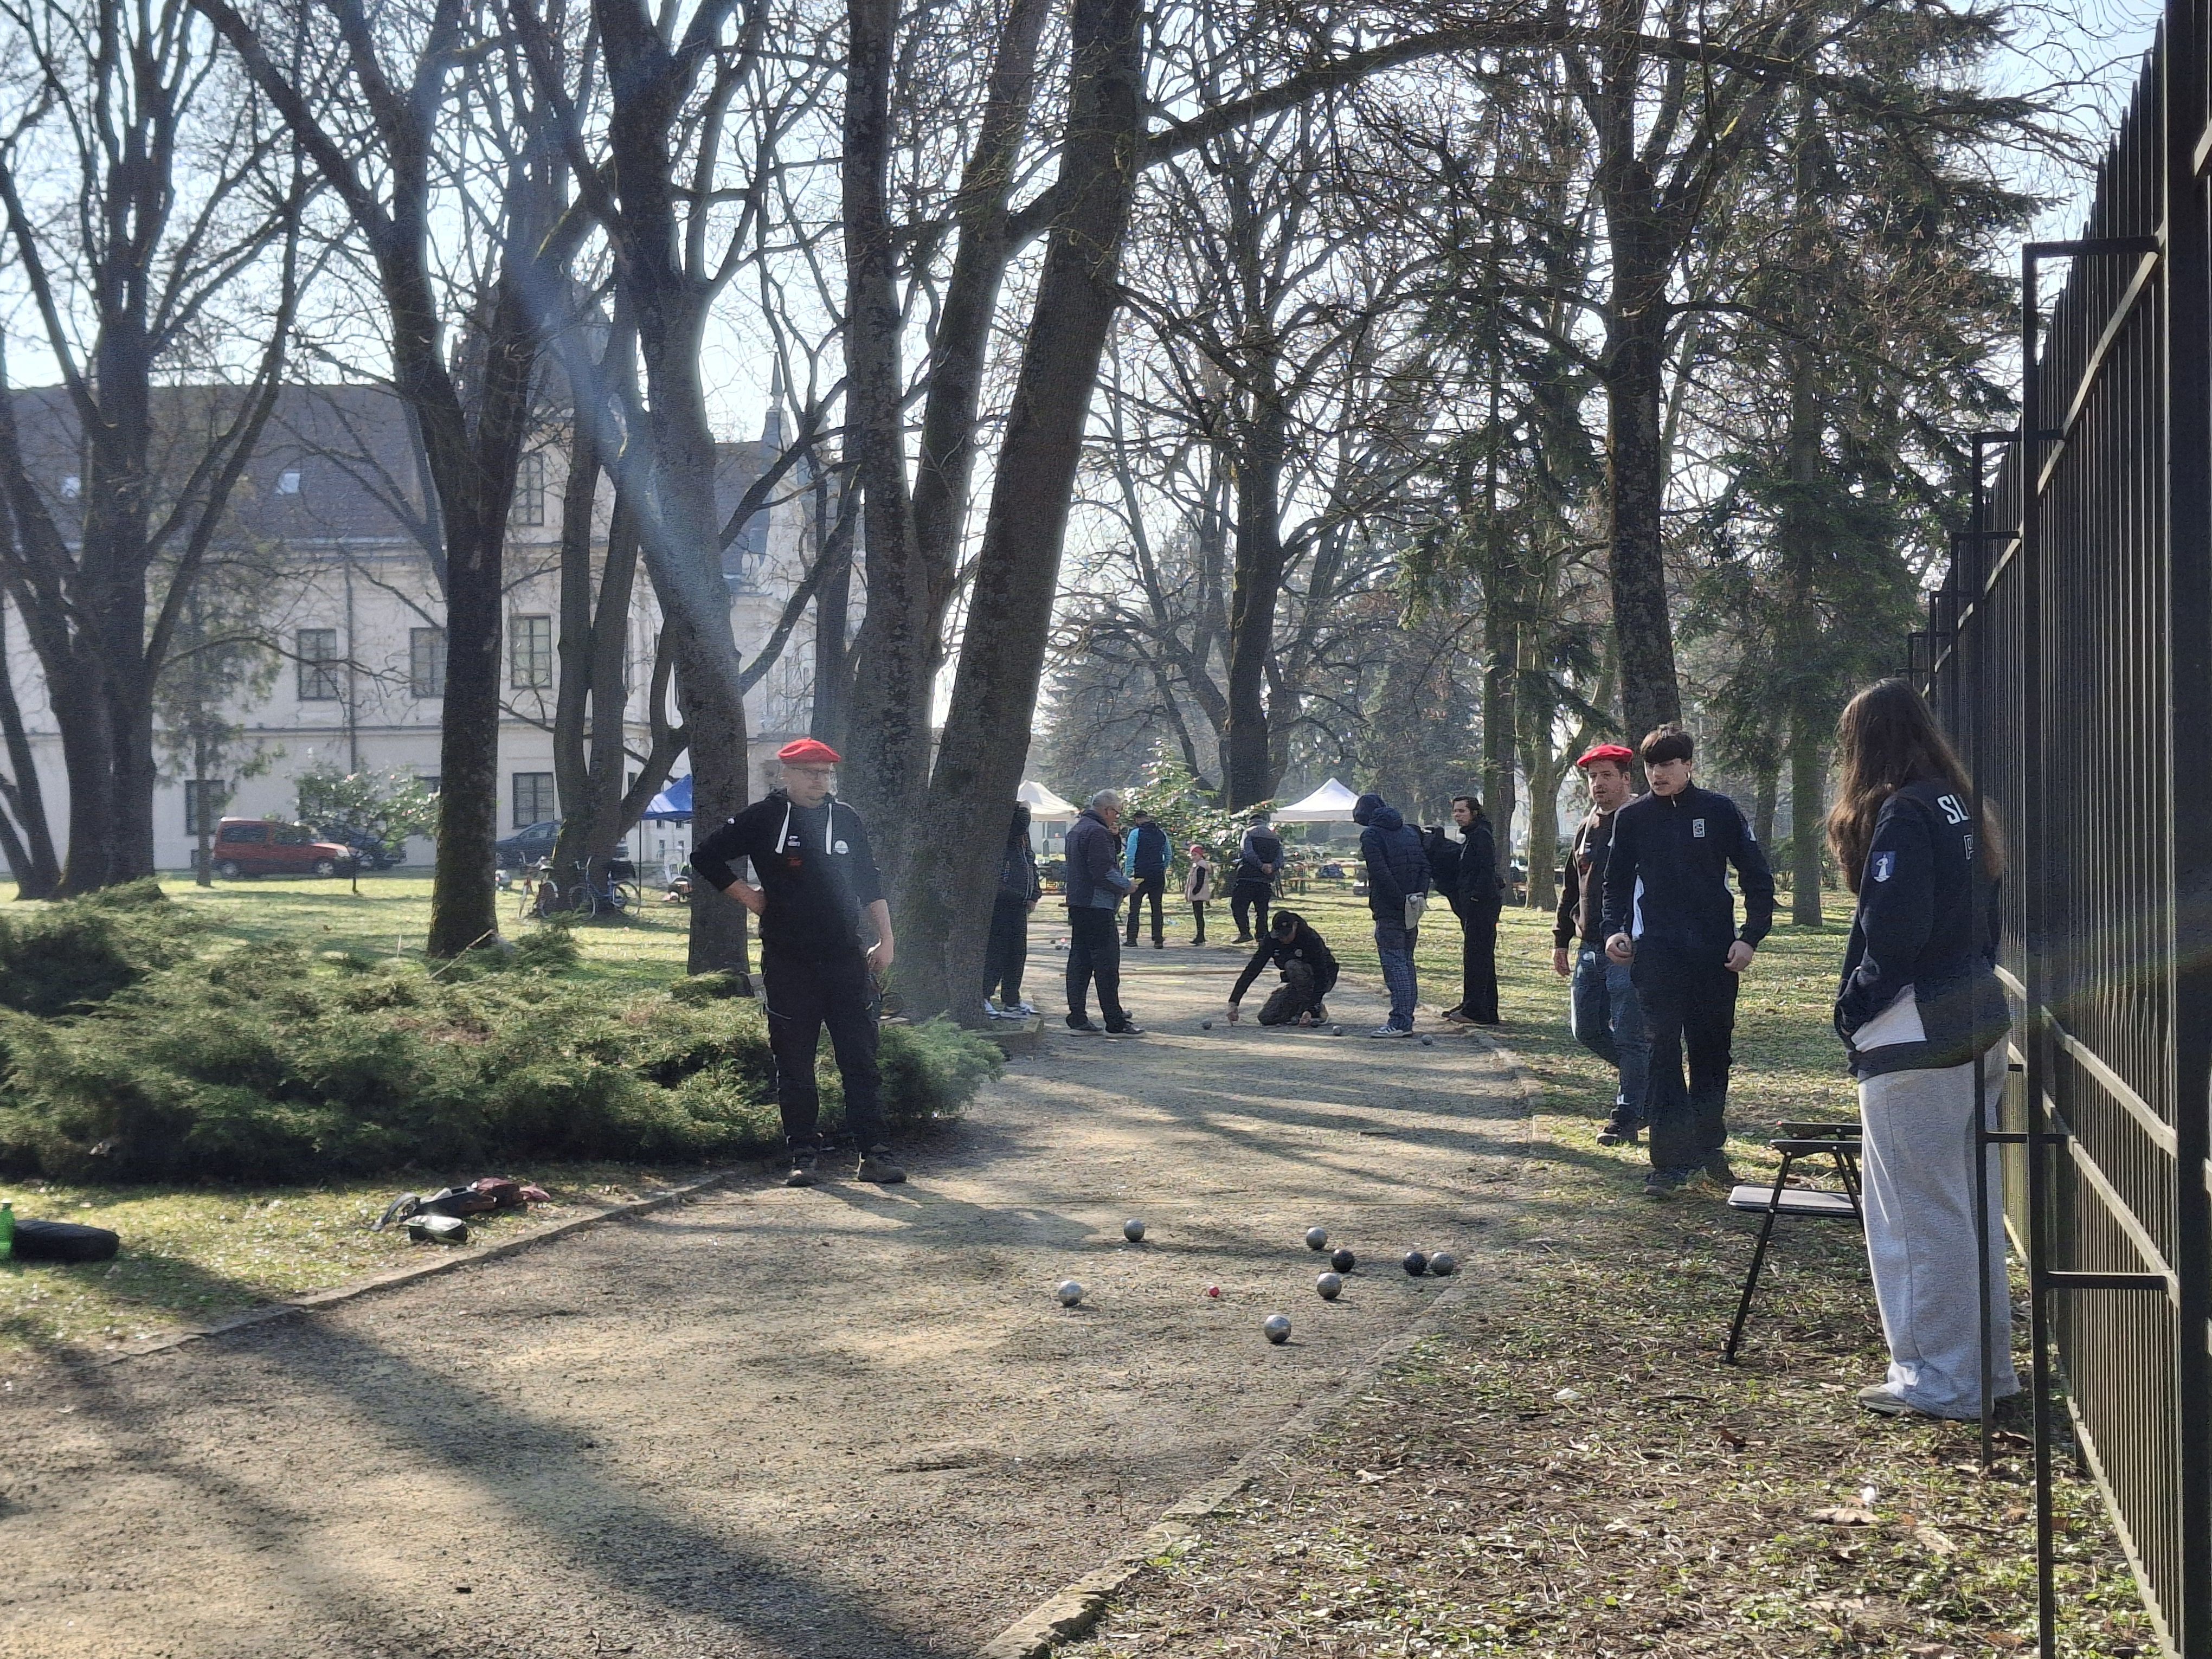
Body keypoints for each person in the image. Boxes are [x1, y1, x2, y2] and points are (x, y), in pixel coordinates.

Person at [1828, 679, 2015, 1420]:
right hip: (1974, 1019)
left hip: (1914, 1036)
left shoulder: (1903, 812)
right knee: (1967, 1207)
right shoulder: (1959, 802)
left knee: (1916, 1218)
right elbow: (1985, 918)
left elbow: (1893, 934)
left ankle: (1940, 1379)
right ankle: (1984, 1371)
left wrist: (1856, 1009)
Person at [690, 737, 904, 1187]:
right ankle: (804, 1154)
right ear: (785, 774)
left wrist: (886, 940)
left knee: (861, 1059)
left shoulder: (845, 819)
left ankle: (873, 1154)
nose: (818, 781)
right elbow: (706, 856)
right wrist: (751, 897)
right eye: (809, 772)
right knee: (794, 1062)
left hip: (846, 959)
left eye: (825, 773)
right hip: (788, 961)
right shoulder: (764, 818)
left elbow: (870, 882)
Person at [1600, 726, 1774, 1198]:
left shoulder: (1719, 811)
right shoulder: (1632, 818)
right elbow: (1615, 885)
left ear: (1688, 766)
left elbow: (1758, 877)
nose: (1658, 774)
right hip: (1657, 953)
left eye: (1667, 765)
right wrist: (1614, 929)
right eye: (1651, 766)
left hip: (1715, 953)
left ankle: (1708, 1145)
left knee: (1711, 1050)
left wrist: (1750, 938)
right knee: (1661, 1049)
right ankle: (1670, 1161)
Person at [1553, 744, 1650, 1146]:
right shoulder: (1587, 826)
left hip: (1627, 946)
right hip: (1589, 946)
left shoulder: (1642, 821)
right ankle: (1649, 1082)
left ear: (1627, 779)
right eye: (1593, 777)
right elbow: (1571, 887)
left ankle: (1628, 1113)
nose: (1599, 784)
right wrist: (1561, 939)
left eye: (1607, 775)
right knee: (1587, 1029)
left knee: (1629, 1034)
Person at [1062, 789, 1142, 1035]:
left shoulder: (1078, 829)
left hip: (1079, 902)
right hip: (1098, 905)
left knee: (1080, 962)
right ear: (1107, 810)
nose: (1117, 818)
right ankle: (1115, 1021)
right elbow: (1103, 872)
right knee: (1106, 964)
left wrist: (1114, 839)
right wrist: (1127, 886)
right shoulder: (1097, 832)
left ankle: (1077, 1017)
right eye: (1116, 813)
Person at [1353, 790, 1431, 1038]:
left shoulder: (1372, 835)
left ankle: (1400, 1022)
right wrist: (1418, 896)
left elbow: (1380, 872)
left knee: (1395, 963)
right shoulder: (1409, 832)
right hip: (1413, 905)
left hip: (1390, 908)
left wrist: (1399, 901)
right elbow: (1424, 866)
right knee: (1406, 962)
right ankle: (1406, 1018)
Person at [1429, 795, 1501, 1025]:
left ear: (1474, 813)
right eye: (1455, 812)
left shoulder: (1480, 836)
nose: (1457, 816)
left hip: (1481, 904)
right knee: (1481, 957)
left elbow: (1485, 869)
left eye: (1462, 811)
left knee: (1476, 958)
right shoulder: (1475, 835)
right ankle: (1482, 1007)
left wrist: (1475, 897)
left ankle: (1476, 1010)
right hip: (1477, 903)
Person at [1226, 910, 1340, 1026]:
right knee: (1267, 1018)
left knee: (1292, 966)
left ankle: (1315, 1010)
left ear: (1295, 926)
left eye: (1287, 934)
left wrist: (1312, 1008)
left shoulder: (1310, 939)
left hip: (1323, 979)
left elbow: (1322, 974)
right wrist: (1234, 1002)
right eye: (1280, 935)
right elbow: (1253, 969)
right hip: (1296, 983)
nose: (1283, 939)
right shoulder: (1271, 941)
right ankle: (1300, 1008)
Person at [984, 802, 1040, 1017]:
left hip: (1020, 901)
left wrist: (1034, 894)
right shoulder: (1003, 835)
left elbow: (1030, 863)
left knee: (1017, 953)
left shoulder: (1023, 841)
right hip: (1002, 901)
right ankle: (985, 995)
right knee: (997, 951)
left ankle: (1012, 999)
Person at [1122, 808, 1171, 948]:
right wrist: (1163, 867)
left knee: (1135, 907)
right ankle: (1158, 939)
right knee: (1157, 907)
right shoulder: (1161, 833)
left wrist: (1129, 873)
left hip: (1140, 874)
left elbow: (1131, 854)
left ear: (1137, 820)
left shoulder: (1135, 833)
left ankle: (1132, 939)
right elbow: (1168, 854)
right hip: (1157, 874)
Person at [1230, 812, 1282, 942]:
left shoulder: (1248, 833)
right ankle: (1262, 935)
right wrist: (1271, 867)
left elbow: (1247, 852)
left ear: (1250, 822)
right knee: (1262, 910)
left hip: (1247, 877)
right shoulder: (1274, 836)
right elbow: (1280, 858)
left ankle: (1245, 933)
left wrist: (1260, 865)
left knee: (1238, 906)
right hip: (1265, 879)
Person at [1184, 844, 1215, 945]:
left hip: (1199, 895)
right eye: (1192, 855)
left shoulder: (1201, 866)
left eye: (1195, 855)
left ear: (1200, 855)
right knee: (1198, 915)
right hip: (1196, 894)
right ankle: (1200, 935)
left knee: (1199, 915)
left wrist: (1195, 891)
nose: (1193, 857)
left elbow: (1200, 881)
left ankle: (1201, 936)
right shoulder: (1196, 865)